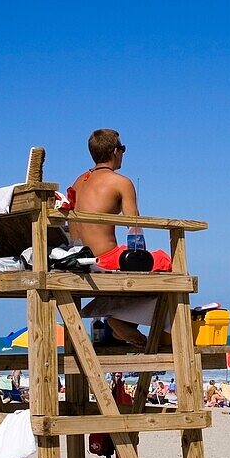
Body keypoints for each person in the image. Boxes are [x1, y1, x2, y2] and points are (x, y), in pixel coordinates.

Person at [72, 128, 170, 347]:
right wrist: (141, 259)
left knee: (144, 263)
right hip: (104, 258)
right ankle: (122, 320)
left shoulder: (79, 181)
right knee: (165, 262)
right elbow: (134, 227)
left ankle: (120, 320)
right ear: (116, 151)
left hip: (77, 256)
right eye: (123, 149)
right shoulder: (120, 182)